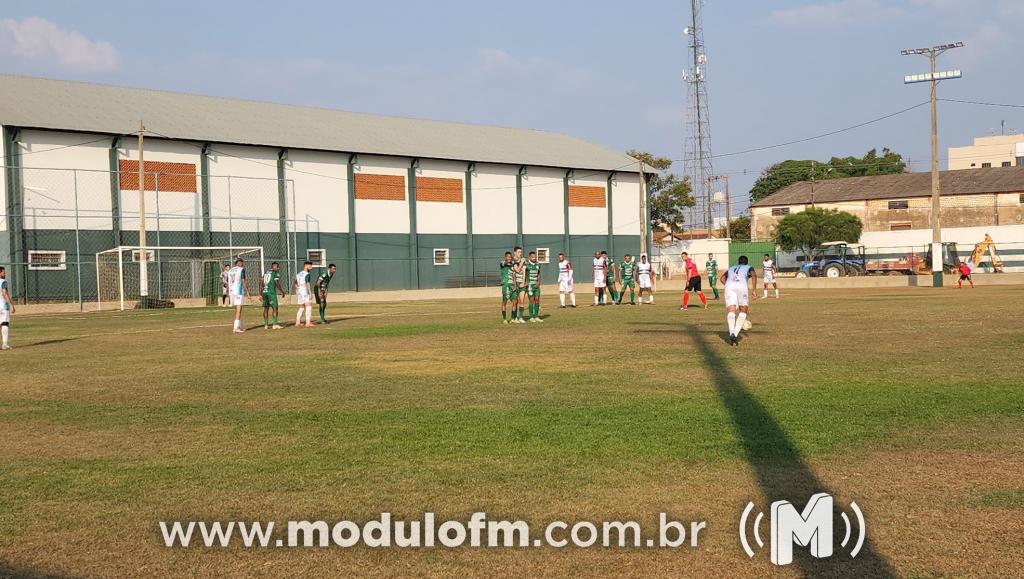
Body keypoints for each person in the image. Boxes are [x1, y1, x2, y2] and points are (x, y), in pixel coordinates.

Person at [721, 255, 759, 346]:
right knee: (743, 310)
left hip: (729, 286)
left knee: (731, 310)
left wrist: (729, 286)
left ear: (738, 262)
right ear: (747, 262)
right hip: (741, 286)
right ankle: (735, 334)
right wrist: (754, 290)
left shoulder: (731, 267)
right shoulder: (748, 267)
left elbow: (722, 279)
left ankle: (731, 333)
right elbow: (754, 275)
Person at [259, 261, 286, 330]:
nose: (278, 268)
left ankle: (266, 325)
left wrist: (260, 294)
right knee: (275, 308)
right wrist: (282, 291)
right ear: (274, 267)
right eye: (277, 267)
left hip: (264, 292)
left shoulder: (265, 273)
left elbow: (261, 283)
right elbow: (276, 282)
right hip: (271, 292)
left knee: (266, 308)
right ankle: (275, 324)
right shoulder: (275, 273)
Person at [227, 258, 247, 334]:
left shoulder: (230, 270)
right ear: (240, 263)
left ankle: (239, 326)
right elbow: (243, 281)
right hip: (238, 291)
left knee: (237, 309)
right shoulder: (241, 269)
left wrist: (228, 291)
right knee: (239, 309)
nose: (243, 264)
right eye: (243, 263)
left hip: (231, 291)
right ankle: (236, 328)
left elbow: (228, 281)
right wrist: (247, 292)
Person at [524, 251, 544, 322]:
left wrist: (539, 282)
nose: (534, 258)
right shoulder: (526, 264)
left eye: (535, 257)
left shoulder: (538, 264)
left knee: (537, 300)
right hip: (529, 286)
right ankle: (531, 317)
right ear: (529, 257)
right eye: (533, 257)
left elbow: (539, 273)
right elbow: (524, 274)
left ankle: (536, 316)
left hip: (536, 285)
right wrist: (525, 282)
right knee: (531, 300)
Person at [294, 261, 314, 328]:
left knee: (302, 306)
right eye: (310, 265)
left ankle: (297, 322)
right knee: (309, 305)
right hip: (304, 290)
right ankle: (308, 323)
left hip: (299, 291)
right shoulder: (307, 274)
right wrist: (310, 293)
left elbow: (295, 283)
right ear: (306, 265)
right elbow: (307, 283)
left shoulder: (299, 274)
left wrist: (298, 288)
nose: (311, 267)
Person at [500, 252, 517, 323]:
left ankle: (513, 319)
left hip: (512, 285)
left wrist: (515, 285)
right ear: (505, 257)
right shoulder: (502, 263)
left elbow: (513, 276)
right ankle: (504, 319)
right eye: (508, 257)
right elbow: (506, 263)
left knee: (515, 302)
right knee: (504, 303)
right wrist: (513, 262)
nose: (509, 258)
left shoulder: (513, 265)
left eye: (510, 257)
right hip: (506, 285)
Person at [0, 266, 14, 350]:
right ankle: (4, 344)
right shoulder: (3, 281)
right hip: (3, 305)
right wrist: (11, 305)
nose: (5, 273)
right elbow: (4, 293)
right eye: (3, 272)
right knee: (5, 323)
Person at [513, 246, 527, 324]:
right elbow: (517, 270)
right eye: (518, 252)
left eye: (521, 252)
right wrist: (521, 262)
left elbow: (524, 271)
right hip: (515, 284)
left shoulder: (523, 261)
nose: (520, 253)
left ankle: (520, 317)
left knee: (522, 301)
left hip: (521, 283)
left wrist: (523, 282)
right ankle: (514, 317)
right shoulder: (513, 261)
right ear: (514, 252)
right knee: (515, 302)